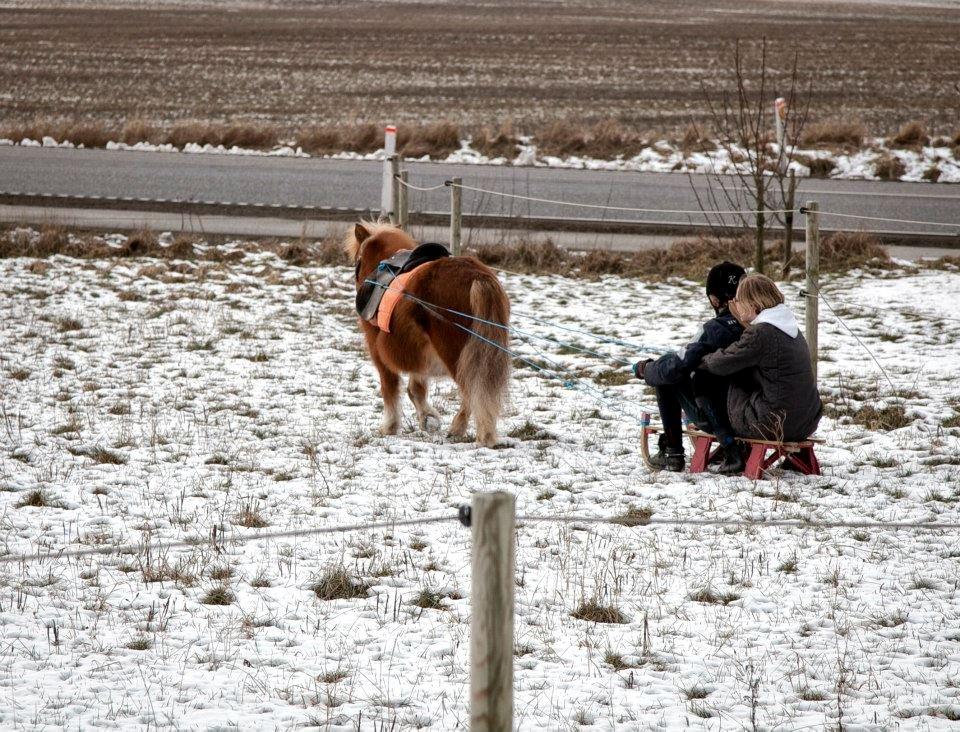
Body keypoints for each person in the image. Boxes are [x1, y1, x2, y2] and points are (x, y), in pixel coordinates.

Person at [698, 274, 822, 473]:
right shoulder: (789, 327)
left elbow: (723, 363)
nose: (734, 304)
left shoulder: (761, 333)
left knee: (725, 378)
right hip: (806, 421)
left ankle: (727, 444)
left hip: (773, 423)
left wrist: (701, 360)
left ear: (753, 303)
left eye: (738, 300)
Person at [634, 261, 746, 472]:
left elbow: (678, 365)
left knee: (668, 375)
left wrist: (646, 369)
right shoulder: (758, 325)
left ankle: (673, 452)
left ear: (714, 299)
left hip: (722, 416)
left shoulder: (713, 330)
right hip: (752, 407)